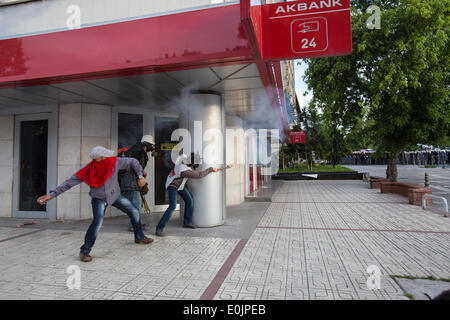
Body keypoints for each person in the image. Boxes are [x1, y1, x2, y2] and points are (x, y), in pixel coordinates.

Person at [37, 146, 154, 263]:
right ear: (99, 158)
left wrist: (140, 176)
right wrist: (52, 195)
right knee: (97, 222)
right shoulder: (88, 169)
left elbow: (133, 161)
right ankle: (84, 251)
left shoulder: (114, 162)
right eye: (104, 156)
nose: (107, 157)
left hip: (114, 195)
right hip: (99, 199)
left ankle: (139, 237)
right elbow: (69, 183)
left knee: (134, 211)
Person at [155, 154, 214, 237]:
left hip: (179, 185)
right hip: (172, 186)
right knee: (172, 206)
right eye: (196, 164)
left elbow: (182, 155)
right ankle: (159, 228)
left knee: (189, 200)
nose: (197, 166)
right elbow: (199, 175)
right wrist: (209, 169)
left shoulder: (183, 159)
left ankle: (187, 222)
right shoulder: (184, 170)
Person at [118, 135, 155, 232]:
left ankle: (135, 222)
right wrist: (141, 175)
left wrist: (142, 172)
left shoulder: (140, 152)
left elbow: (137, 166)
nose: (152, 148)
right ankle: (133, 225)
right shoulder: (136, 152)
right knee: (135, 203)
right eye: (151, 145)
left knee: (134, 203)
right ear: (146, 145)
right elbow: (133, 166)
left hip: (132, 180)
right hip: (130, 180)